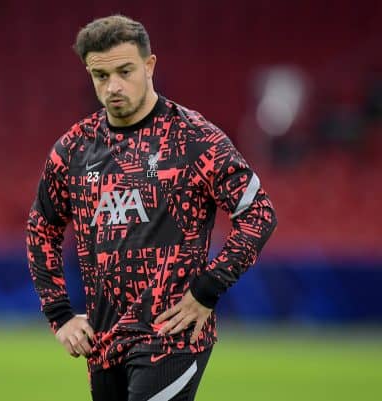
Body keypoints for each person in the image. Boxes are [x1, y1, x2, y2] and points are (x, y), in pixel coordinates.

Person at [25, 15, 277, 401]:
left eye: (124, 71)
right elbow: (42, 228)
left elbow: (258, 213)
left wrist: (207, 290)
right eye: (100, 76)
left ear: (149, 65)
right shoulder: (74, 148)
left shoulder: (195, 138)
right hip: (104, 343)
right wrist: (59, 314)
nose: (113, 86)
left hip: (172, 339)